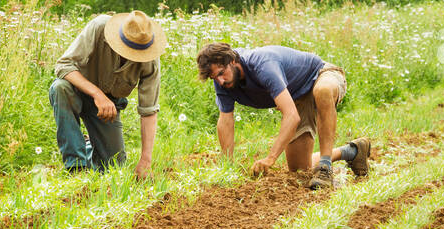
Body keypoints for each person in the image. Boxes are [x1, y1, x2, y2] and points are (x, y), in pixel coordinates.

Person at [196, 42, 370, 189]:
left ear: (232, 61)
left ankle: (325, 167)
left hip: (321, 75)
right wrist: (227, 165)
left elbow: (291, 116)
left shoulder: (262, 64)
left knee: (322, 91)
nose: (220, 81)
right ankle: (352, 151)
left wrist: (271, 158)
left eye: (221, 73)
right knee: (301, 170)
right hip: (296, 96)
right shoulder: (223, 83)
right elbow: (225, 120)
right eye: (214, 78)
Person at [49, 10, 163, 178]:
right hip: (77, 91)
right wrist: (97, 94)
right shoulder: (99, 27)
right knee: (60, 88)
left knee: (113, 169)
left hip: (108, 107)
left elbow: (148, 110)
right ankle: (77, 167)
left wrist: (146, 161)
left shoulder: (150, 60)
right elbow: (63, 66)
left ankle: (89, 146)